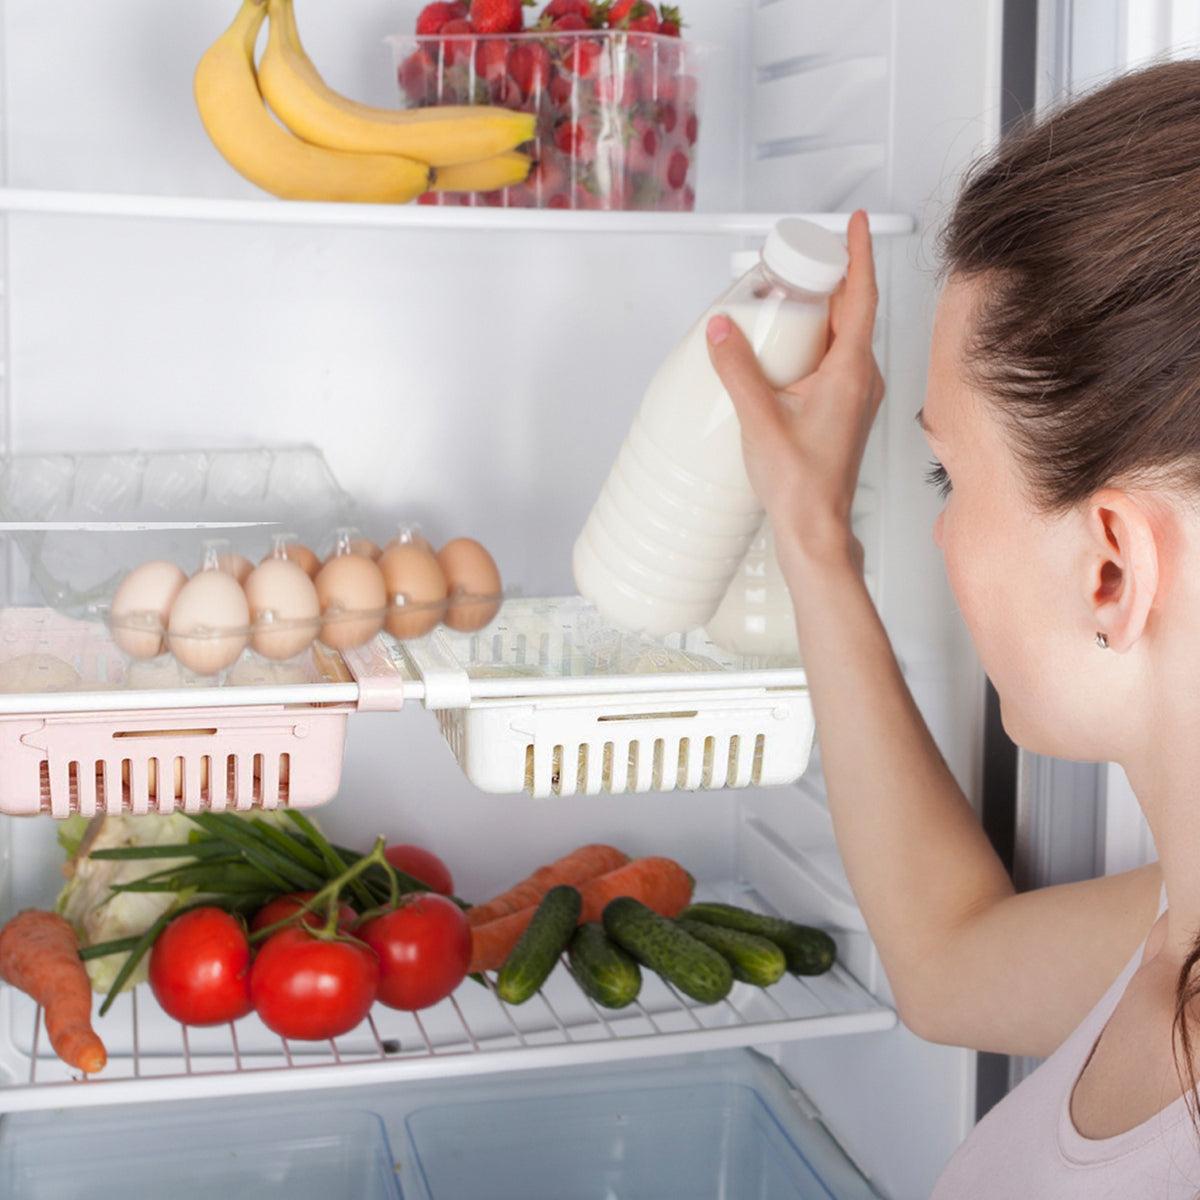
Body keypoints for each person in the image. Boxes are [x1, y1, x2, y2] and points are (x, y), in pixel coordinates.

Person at [706, 57, 1200, 1197]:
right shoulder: (1173, 914)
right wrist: (813, 537)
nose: (944, 534)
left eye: (946, 477)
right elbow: (946, 962)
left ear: (1111, 572)